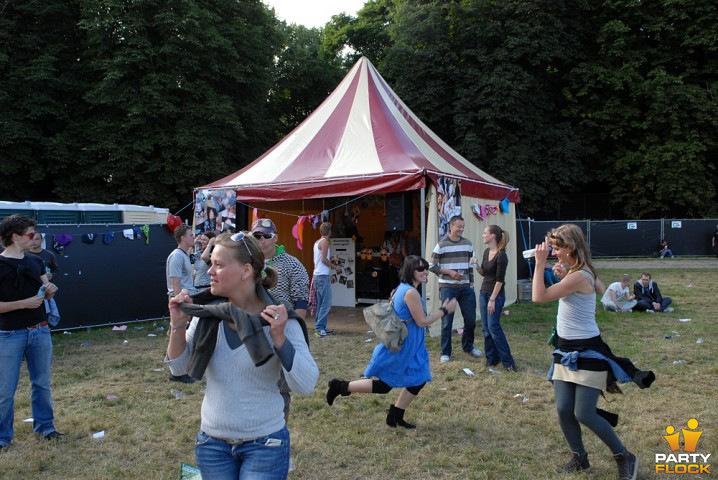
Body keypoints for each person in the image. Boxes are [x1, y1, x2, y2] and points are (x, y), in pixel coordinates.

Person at [165, 232, 318, 479]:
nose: (210, 271)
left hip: (265, 444)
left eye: (219, 265)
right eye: (211, 263)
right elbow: (179, 369)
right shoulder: (208, 316)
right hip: (212, 444)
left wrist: (280, 338)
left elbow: (307, 383)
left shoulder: (278, 319)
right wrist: (178, 325)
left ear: (246, 271)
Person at [532, 224, 651, 480]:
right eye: (551, 247)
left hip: (588, 351)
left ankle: (624, 456)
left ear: (571, 247)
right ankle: (579, 457)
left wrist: (540, 264)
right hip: (565, 350)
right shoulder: (580, 270)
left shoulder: (579, 274)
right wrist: (566, 272)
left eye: (556, 247)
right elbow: (599, 288)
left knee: (583, 413)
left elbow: (538, 297)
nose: (552, 251)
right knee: (564, 409)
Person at [326, 256, 457, 429]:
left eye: (426, 267)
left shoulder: (404, 288)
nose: (425, 271)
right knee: (384, 385)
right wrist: (444, 310)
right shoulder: (410, 292)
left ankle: (395, 415)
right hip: (404, 346)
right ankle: (341, 386)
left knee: (418, 379)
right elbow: (422, 321)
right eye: (421, 269)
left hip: (410, 344)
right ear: (411, 271)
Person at [0, 215, 63, 451]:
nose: (35, 238)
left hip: (40, 330)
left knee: (42, 384)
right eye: (29, 234)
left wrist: (49, 290)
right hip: (8, 334)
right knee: (5, 389)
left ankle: (46, 427)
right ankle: (3, 436)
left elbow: (46, 289)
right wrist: (23, 303)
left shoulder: (35, 262)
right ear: (15, 237)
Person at [429, 215, 482, 363]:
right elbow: (431, 266)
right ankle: (445, 352)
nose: (461, 229)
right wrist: (450, 272)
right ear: (451, 226)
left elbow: (472, 265)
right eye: (459, 226)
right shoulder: (441, 245)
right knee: (447, 321)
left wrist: (471, 284)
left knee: (471, 319)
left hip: (466, 288)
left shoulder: (468, 244)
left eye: (463, 227)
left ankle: (468, 346)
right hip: (448, 287)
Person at [475, 225, 516, 371]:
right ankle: (492, 359)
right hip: (483, 293)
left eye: (485, 233)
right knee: (486, 329)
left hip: (495, 296)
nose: (483, 235)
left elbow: (499, 281)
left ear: (492, 236)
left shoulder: (501, 255)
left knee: (494, 328)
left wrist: (492, 300)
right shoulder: (487, 252)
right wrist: (476, 265)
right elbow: (485, 273)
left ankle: (508, 362)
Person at [166, 224, 198, 383]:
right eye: (191, 235)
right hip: (181, 300)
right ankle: (177, 372)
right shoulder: (177, 256)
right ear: (183, 238)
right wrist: (180, 303)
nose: (194, 237)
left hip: (187, 298)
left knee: (186, 334)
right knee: (179, 333)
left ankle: (184, 367)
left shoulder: (185, 254)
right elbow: (175, 282)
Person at [313, 222, 341, 337]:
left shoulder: (317, 242)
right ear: (329, 232)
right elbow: (324, 259)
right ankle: (320, 328)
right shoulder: (324, 242)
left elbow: (319, 259)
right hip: (322, 276)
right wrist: (335, 267)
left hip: (317, 275)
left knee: (321, 303)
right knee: (326, 303)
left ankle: (320, 327)